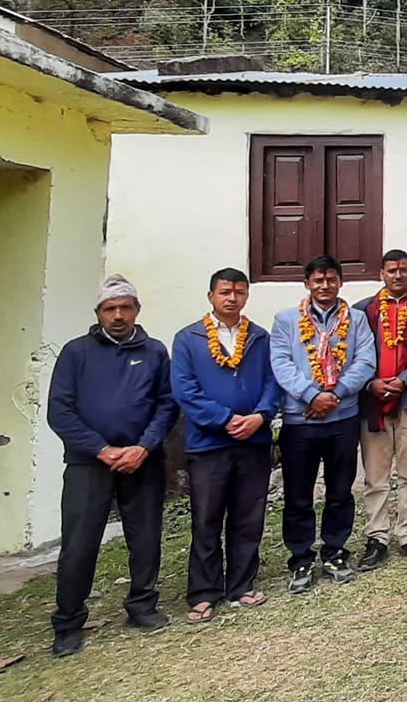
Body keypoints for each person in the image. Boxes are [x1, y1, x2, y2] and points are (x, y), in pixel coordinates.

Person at [45, 274, 178, 658]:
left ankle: (142, 605)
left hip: (142, 462)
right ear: (98, 313)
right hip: (89, 464)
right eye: (109, 309)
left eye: (125, 308)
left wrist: (143, 447)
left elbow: (167, 404)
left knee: (145, 536)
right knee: (79, 543)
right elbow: (60, 411)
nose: (118, 315)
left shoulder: (154, 351)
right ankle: (68, 622)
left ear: (137, 310)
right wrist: (100, 449)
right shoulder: (76, 353)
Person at [170, 268, 281, 624]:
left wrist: (260, 416)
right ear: (211, 297)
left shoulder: (259, 338)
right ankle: (204, 592)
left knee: (249, 515)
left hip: (253, 439)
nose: (232, 298)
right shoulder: (189, 339)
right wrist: (224, 418)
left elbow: (273, 383)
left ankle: (242, 584)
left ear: (246, 296)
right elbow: (185, 390)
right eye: (224, 292)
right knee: (206, 517)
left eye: (239, 292)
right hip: (208, 443)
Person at [270, 255, 377, 592]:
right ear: (307, 284)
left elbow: (365, 361)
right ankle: (301, 558)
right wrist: (311, 396)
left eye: (331, 279)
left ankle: (334, 552)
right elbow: (281, 363)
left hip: (342, 418)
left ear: (340, 282)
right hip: (300, 420)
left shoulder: (356, 319)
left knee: (340, 491)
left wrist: (336, 394)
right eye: (318, 280)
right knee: (298, 493)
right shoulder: (286, 320)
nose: (325, 285)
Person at [350, 250, 407, 566]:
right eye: (391, 270)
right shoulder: (362, 311)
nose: (398, 275)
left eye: (403, 269)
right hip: (372, 402)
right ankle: (377, 537)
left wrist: (404, 380)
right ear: (381, 274)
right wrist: (370, 383)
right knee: (375, 475)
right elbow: (354, 353)